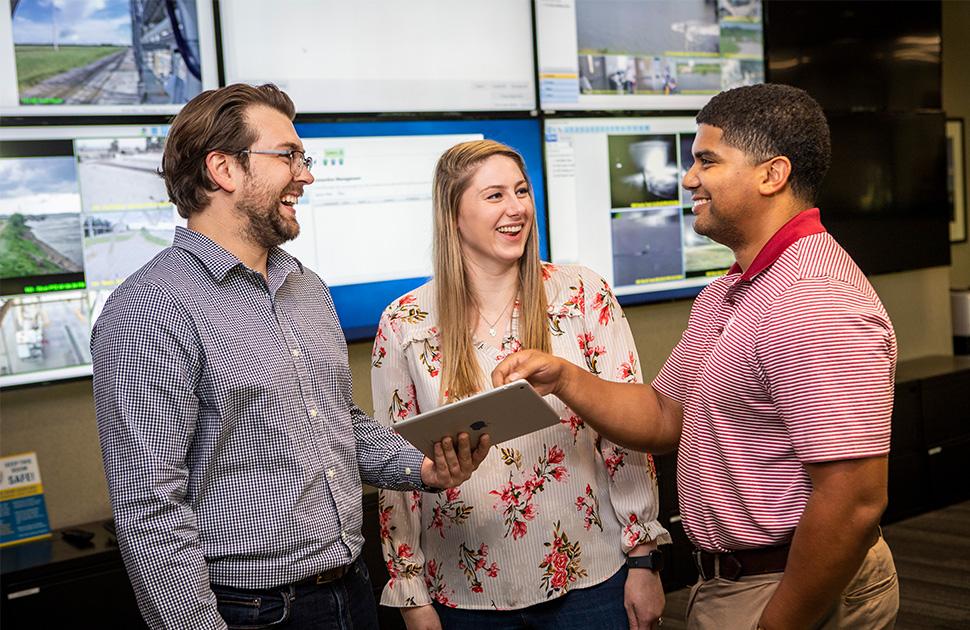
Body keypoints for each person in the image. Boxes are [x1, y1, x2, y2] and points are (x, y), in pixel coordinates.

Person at [493, 83, 899, 630]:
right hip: (734, 583)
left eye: (707, 160)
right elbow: (666, 416)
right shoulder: (730, 291)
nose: (688, 179)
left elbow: (852, 502)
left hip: (792, 589)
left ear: (771, 175)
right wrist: (565, 377)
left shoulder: (813, 299)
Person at [92, 83, 489, 630]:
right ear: (223, 170)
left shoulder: (306, 287)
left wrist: (419, 467)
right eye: (288, 156)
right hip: (251, 612)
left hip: (351, 588)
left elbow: (336, 423)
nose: (306, 174)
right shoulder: (150, 309)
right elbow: (149, 511)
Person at [371, 139, 670, 630]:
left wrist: (643, 560)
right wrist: (411, 593)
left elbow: (623, 435)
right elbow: (396, 467)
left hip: (591, 583)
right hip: (465, 595)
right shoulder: (405, 323)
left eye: (521, 191)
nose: (516, 209)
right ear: (453, 214)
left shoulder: (581, 295)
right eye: (494, 196)